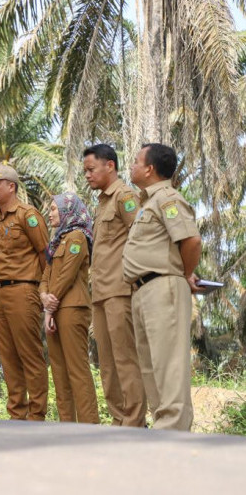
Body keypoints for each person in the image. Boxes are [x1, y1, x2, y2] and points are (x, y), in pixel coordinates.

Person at [123, 143, 202, 431]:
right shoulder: (148, 202)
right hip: (143, 289)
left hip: (163, 286)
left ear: (149, 168)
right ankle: (162, 430)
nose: (131, 166)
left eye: (135, 161)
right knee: (152, 366)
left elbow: (191, 240)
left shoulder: (167, 199)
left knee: (168, 365)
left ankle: (174, 433)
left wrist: (185, 273)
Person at [0, 163, 49, 421]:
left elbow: (45, 254)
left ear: (11, 186)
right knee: (8, 357)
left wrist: (44, 289)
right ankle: (16, 415)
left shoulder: (27, 215)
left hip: (24, 290)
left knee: (30, 355)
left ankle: (37, 415)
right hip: (2, 292)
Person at [83, 144, 146, 427]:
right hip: (100, 293)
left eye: (91, 169)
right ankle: (119, 420)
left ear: (110, 166)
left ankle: (134, 423)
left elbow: (141, 237)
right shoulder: (102, 202)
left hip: (121, 291)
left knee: (125, 360)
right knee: (107, 365)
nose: (87, 175)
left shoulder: (125, 196)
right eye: (85, 170)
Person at [40, 192, 99, 424]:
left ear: (67, 211)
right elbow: (46, 275)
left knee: (77, 371)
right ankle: (66, 426)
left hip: (72, 308)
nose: (50, 213)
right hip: (54, 311)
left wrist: (49, 305)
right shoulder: (58, 241)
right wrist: (44, 298)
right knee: (59, 373)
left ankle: (89, 426)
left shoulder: (77, 237)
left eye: (54, 209)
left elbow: (66, 275)